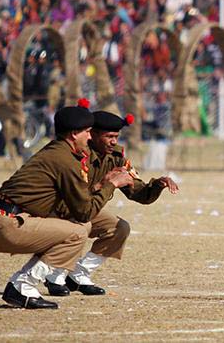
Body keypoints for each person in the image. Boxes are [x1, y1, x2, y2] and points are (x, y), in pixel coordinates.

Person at [0, 99, 134, 309]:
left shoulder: (62, 152)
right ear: (73, 134)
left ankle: (48, 279)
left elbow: (81, 201)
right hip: (7, 224)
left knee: (81, 227)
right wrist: (111, 184)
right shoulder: (65, 160)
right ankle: (22, 285)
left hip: (6, 219)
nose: (90, 136)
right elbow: (84, 212)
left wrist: (103, 185)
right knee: (78, 231)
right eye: (87, 132)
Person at [44, 110, 179, 296]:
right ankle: (54, 275)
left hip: (86, 208)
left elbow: (139, 193)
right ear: (92, 134)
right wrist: (104, 184)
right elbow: (70, 196)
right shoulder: (74, 154)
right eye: (109, 136)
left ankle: (78, 275)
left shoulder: (116, 157)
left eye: (116, 136)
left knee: (119, 228)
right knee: (80, 225)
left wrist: (157, 185)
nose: (114, 141)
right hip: (57, 209)